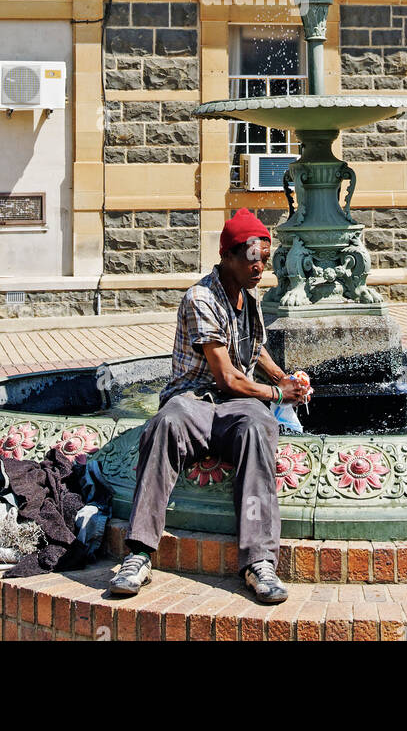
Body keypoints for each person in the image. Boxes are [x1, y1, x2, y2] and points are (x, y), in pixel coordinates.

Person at [106, 208, 310, 604]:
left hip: (236, 406)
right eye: (254, 259)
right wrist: (276, 395)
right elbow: (227, 378)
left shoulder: (247, 297)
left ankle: (259, 562)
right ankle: (139, 554)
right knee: (166, 423)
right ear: (229, 256)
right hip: (194, 400)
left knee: (258, 427)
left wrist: (284, 378)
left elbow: (254, 349)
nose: (260, 268)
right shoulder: (201, 298)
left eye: (265, 260)